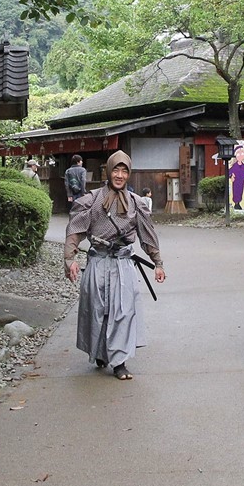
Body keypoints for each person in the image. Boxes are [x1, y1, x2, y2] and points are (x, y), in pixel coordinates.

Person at [64, 151, 166, 380]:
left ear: (129, 173)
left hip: (122, 263)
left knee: (123, 311)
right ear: (108, 172)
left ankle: (119, 361)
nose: (120, 175)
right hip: (98, 262)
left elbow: (148, 235)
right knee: (98, 310)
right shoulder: (90, 200)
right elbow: (75, 231)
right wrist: (69, 259)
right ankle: (100, 351)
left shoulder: (137, 203)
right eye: (116, 170)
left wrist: (158, 263)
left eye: (124, 171)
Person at [228, 144, 244, 209]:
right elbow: (230, 171)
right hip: (236, 181)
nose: (240, 156)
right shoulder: (234, 165)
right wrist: (231, 176)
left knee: (241, 192)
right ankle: (236, 203)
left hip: (241, 181)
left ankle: (239, 203)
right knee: (235, 192)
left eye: (242, 154)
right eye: (238, 154)